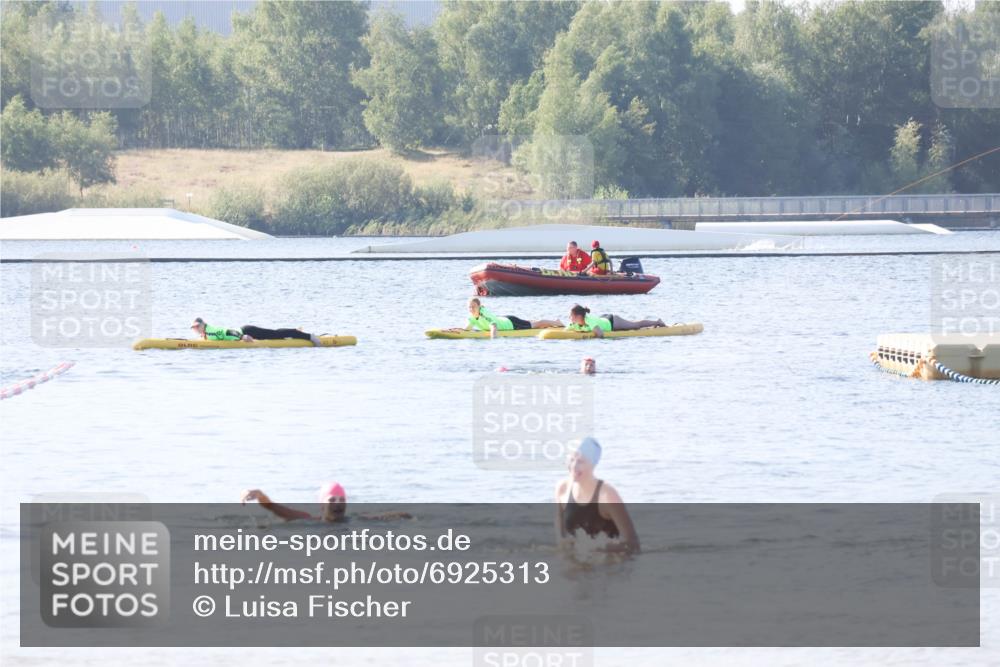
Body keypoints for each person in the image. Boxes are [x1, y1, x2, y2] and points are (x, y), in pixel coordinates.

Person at [555, 437, 639, 553]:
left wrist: (595, 548)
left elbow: (633, 544)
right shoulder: (562, 490)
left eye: (580, 461)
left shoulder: (607, 495)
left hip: (610, 568)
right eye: (572, 459)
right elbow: (562, 539)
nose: (574, 466)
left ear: (593, 464)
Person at [241, 482, 410, 523]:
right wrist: (260, 496)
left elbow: (380, 517)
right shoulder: (308, 519)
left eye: (342, 500)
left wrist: (404, 514)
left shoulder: (354, 520)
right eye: (333, 499)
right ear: (322, 505)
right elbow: (278, 509)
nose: (338, 503)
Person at [458, 298, 562, 338]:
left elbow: (493, 326)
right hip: (505, 319)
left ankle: (557, 323)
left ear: (479, 307)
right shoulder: (471, 317)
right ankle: (552, 322)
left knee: (536, 325)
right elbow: (467, 329)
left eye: (473, 307)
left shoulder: (484, 313)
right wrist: (455, 331)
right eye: (469, 307)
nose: (471, 309)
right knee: (532, 323)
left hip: (511, 324)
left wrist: (493, 339)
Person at [191, 317, 322, 346]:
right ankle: (293, 336)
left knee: (275, 334)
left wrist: (243, 336)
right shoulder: (206, 333)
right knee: (276, 336)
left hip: (247, 331)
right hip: (244, 332)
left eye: (197, 326)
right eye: (194, 328)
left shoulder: (212, 330)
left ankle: (308, 336)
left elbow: (227, 331)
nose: (196, 329)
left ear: (203, 325)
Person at [565, 304, 665, 338]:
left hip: (612, 322)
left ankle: (657, 322)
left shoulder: (590, 322)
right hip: (602, 318)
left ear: (579, 316)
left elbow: (600, 334)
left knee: (635, 325)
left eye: (571, 316)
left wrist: (587, 336)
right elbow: (565, 330)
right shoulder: (575, 323)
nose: (570, 317)